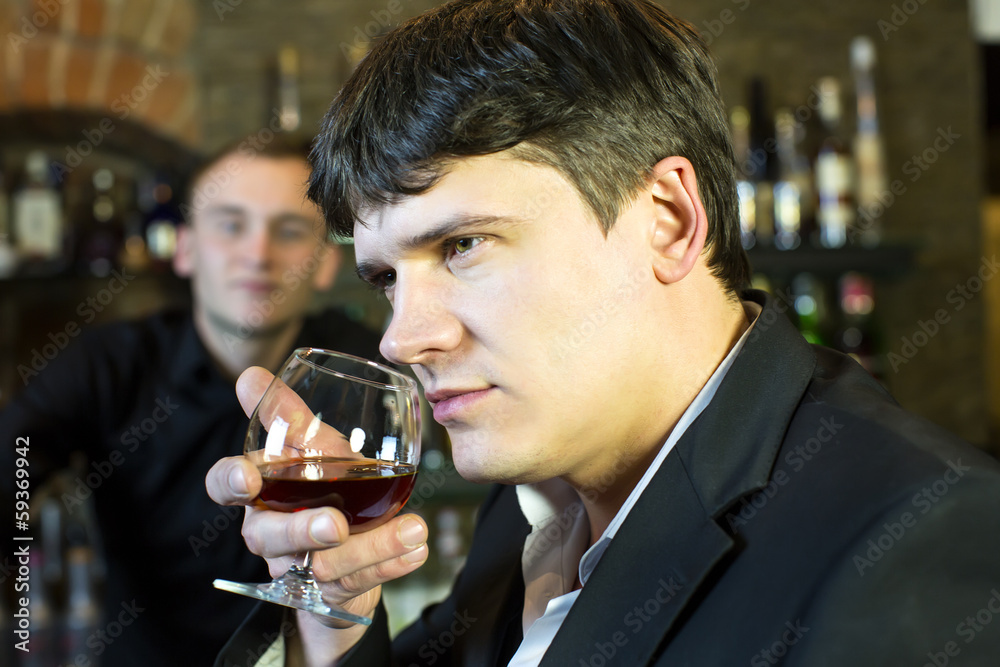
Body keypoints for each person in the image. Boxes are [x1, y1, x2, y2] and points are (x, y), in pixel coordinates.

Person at [208, 1, 1000, 665]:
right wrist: (332, 609)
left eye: (462, 246)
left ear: (668, 220)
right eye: (386, 278)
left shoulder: (923, 536)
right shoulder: (530, 507)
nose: (401, 338)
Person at [0, 137, 382, 664]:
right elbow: (11, 464)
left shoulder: (362, 370)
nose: (258, 253)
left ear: (323, 264)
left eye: (289, 231)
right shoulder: (110, 364)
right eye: (230, 225)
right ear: (183, 248)